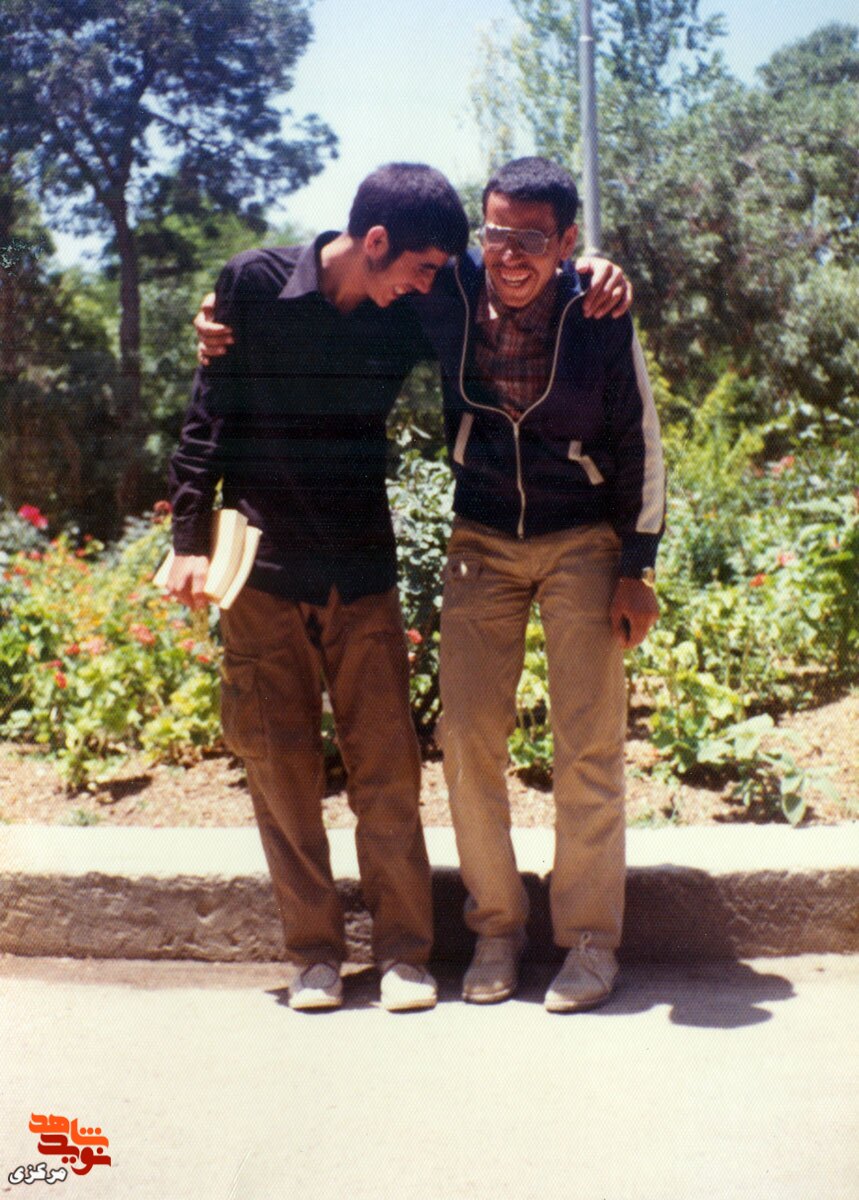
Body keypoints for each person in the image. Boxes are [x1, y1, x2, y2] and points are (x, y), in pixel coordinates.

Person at [171, 162, 631, 1013]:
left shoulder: (413, 302)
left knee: (386, 770)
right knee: (279, 770)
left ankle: (404, 954)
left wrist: (593, 266)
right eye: (421, 268)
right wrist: (187, 540)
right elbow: (207, 418)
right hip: (261, 568)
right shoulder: (252, 285)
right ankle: (314, 955)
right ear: (376, 242)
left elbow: (525, 282)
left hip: (360, 564)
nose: (429, 283)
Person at [417, 157, 665, 1011]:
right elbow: (350, 277)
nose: (509, 254)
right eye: (496, 233)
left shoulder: (597, 310)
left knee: (587, 744)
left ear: (565, 242)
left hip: (581, 540)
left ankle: (589, 942)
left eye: (531, 237)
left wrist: (636, 567)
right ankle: (496, 927)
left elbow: (638, 440)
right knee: (466, 736)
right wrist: (228, 311)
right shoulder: (447, 289)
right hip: (481, 539)